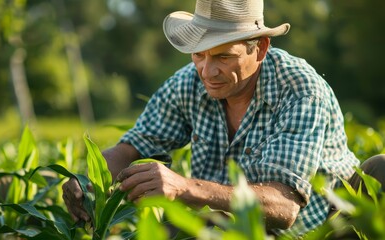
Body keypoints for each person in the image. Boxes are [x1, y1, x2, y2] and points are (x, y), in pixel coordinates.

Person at [62, 0, 385, 237]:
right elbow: (132, 147)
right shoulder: (190, 82)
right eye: (198, 55)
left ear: (259, 49)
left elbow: (285, 208)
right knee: (179, 230)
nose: (207, 71)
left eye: (223, 56)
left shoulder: (300, 89)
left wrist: (184, 187)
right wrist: (89, 180)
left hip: (325, 223)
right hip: (237, 222)